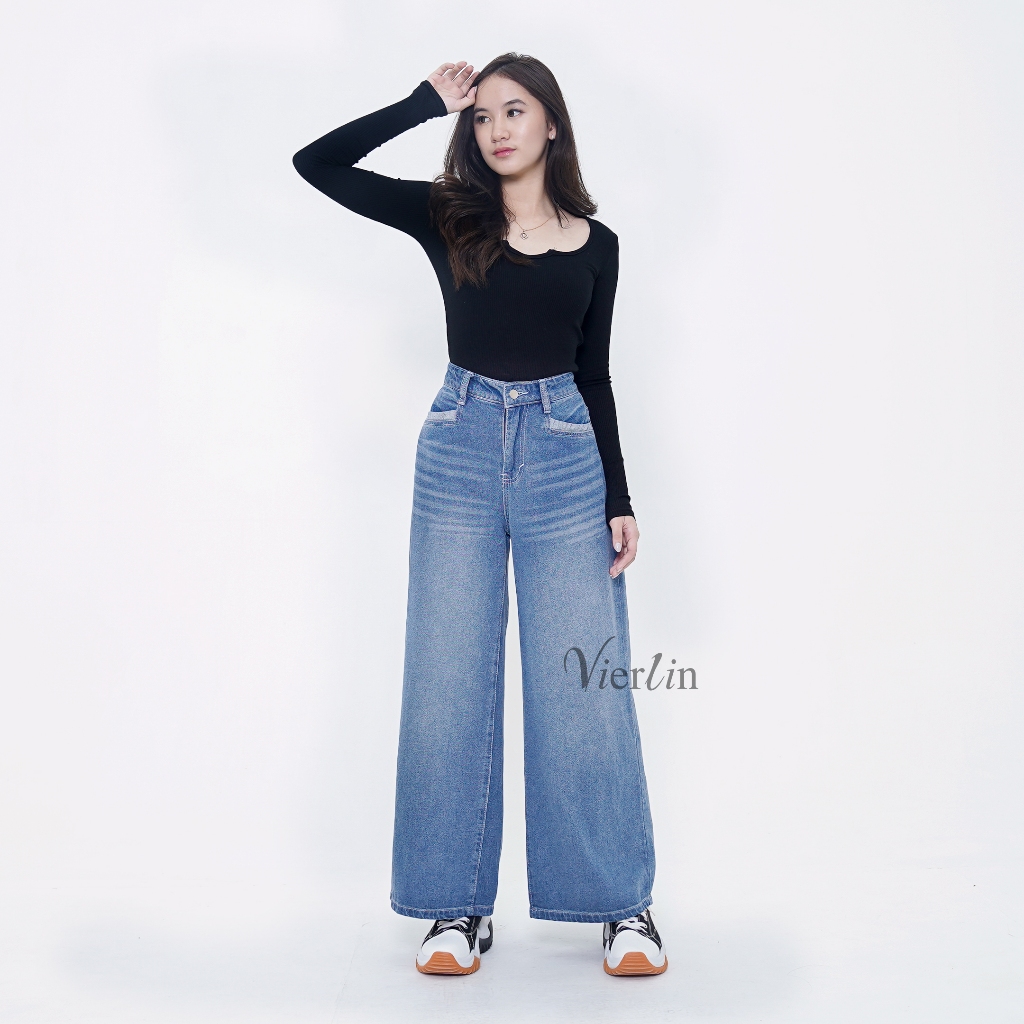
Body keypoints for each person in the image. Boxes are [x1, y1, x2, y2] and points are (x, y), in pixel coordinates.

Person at [293, 53, 666, 977]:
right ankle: (454, 906)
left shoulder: (599, 245)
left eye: (515, 110)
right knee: (448, 677)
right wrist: (423, 104)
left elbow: (595, 375)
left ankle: (621, 905)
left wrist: (618, 497)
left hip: (566, 456)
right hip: (459, 449)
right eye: (483, 115)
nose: (497, 128)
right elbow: (318, 164)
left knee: (582, 681)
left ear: (552, 124)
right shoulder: (449, 214)